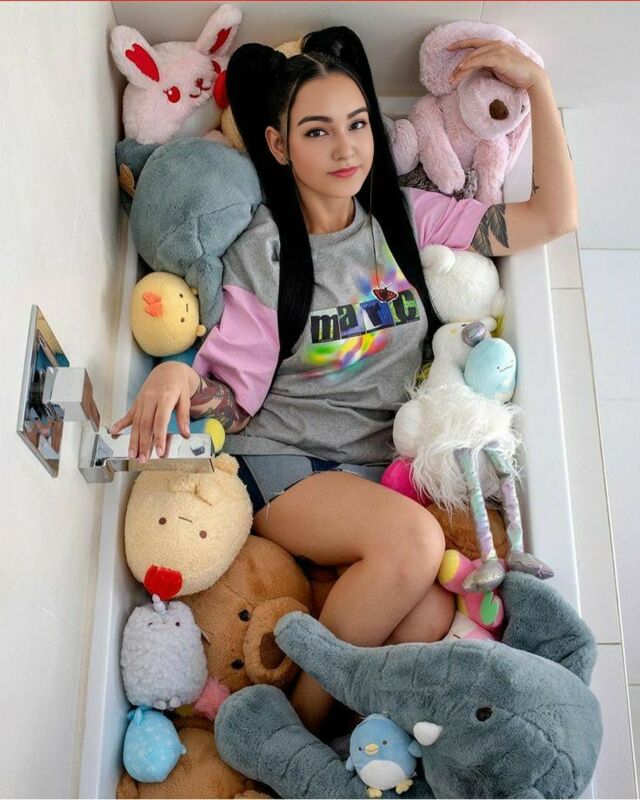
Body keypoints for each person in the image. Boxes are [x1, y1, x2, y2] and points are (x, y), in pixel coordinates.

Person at [110, 27, 577, 735]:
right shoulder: (264, 249)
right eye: (318, 131)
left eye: (357, 124)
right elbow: (231, 390)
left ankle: (351, 749)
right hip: (288, 464)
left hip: (376, 475)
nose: (346, 148)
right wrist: (179, 370)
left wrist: (538, 85)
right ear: (278, 146)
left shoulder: (406, 220)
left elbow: (553, 217)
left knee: (427, 618)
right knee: (414, 544)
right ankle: (290, 742)